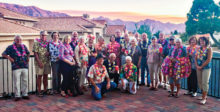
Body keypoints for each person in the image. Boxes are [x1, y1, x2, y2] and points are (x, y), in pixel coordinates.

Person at [2, 35, 30, 101]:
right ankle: (17, 95)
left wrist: (28, 58)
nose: (19, 41)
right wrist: (9, 58)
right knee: (16, 81)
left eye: (20, 39)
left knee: (25, 80)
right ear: (14, 40)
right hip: (16, 66)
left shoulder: (24, 46)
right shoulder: (10, 47)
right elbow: (3, 54)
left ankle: (25, 94)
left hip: (24, 66)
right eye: (17, 39)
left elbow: (28, 53)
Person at [33, 31, 51, 97]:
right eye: (42, 35)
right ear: (40, 35)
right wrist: (39, 62)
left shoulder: (48, 43)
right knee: (39, 76)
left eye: (45, 35)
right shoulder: (36, 43)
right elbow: (35, 53)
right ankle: (39, 91)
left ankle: (45, 90)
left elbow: (50, 51)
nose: (44, 36)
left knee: (46, 76)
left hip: (46, 61)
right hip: (39, 62)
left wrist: (49, 53)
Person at [195, 37, 212, 104]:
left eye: (203, 41)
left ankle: (204, 98)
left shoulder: (209, 49)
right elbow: (195, 57)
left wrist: (201, 66)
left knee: (205, 82)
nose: (202, 42)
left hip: (206, 68)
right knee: (200, 82)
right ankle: (203, 95)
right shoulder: (199, 48)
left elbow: (208, 59)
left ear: (206, 41)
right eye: (200, 41)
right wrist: (197, 66)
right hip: (198, 67)